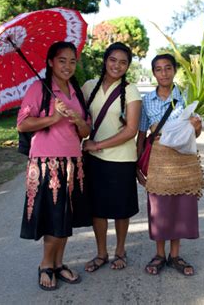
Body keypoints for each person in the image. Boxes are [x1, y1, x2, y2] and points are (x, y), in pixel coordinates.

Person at [17, 41, 91, 291]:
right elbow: (22, 124)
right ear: (50, 62)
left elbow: (85, 132)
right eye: (62, 60)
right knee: (53, 216)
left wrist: (79, 120)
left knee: (65, 216)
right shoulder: (39, 88)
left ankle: (59, 264)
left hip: (73, 162)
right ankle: (45, 265)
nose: (67, 66)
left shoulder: (75, 91)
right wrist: (53, 117)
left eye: (72, 61)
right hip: (46, 163)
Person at [137, 54, 204, 276]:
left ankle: (175, 255)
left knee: (179, 206)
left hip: (182, 159)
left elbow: (196, 132)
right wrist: (137, 165)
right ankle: (159, 254)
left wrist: (196, 126)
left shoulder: (187, 97)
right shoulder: (146, 101)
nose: (163, 73)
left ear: (175, 70)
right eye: (158, 69)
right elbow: (141, 134)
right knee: (159, 208)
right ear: (153, 72)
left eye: (168, 68)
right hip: (158, 160)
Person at [81, 42, 142, 272]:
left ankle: (120, 251)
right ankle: (101, 253)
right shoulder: (88, 87)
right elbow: (82, 119)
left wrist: (98, 145)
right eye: (113, 60)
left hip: (122, 159)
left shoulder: (131, 90)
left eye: (123, 62)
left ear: (128, 67)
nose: (117, 65)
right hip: (94, 161)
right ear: (105, 60)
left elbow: (131, 130)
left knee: (120, 209)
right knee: (97, 209)